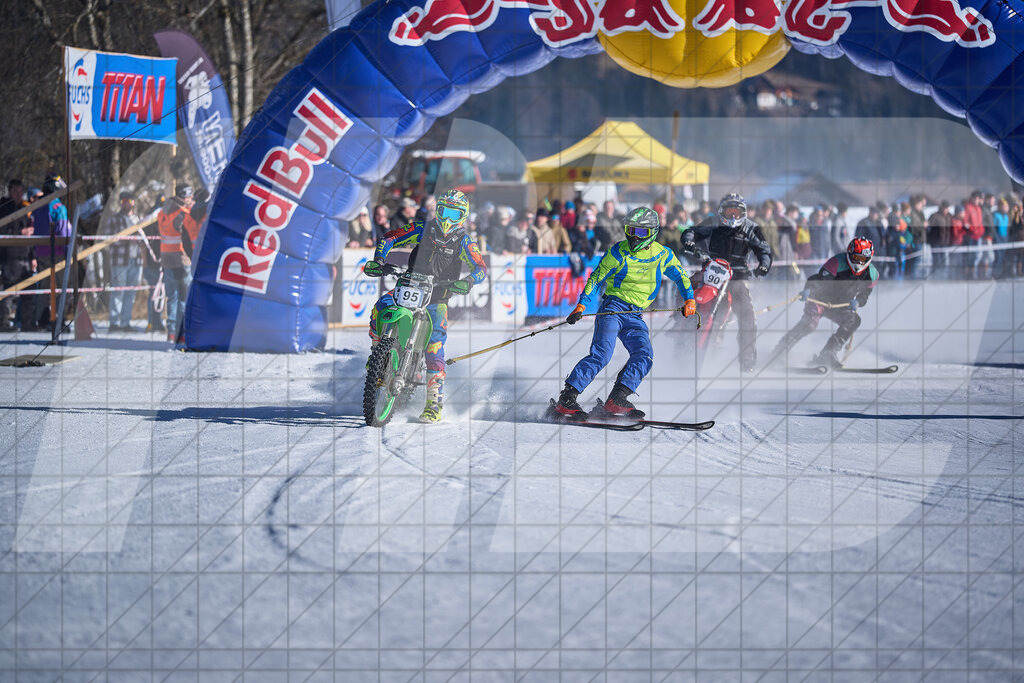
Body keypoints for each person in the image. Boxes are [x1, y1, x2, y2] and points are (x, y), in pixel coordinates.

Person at [553, 207, 696, 419]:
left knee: (644, 355)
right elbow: (596, 278)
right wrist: (581, 305)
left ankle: (617, 398)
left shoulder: (663, 254)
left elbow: (681, 277)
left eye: (640, 233)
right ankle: (567, 398)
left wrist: (689, 298)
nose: (633, 237)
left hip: (635, 315)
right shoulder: (618, 252)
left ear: (652, 233)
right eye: (630, 230)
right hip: (612, 308)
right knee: (602, 355)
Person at [362, 189, 487, 423]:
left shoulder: (464, 241)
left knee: (434, 346)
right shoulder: (422, 229)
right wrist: (380, 260)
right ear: (437, 210)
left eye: (454, 213)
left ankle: (433, 402)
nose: (448, 219)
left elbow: (480, 268)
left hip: (437, 296)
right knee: (381, 307)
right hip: (409, 285)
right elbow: (390, 237)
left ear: (462, 216)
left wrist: (468, 281)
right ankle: (376, 353)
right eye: (444, 211)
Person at [681, 193, 772, 372]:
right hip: (711, 269)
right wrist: (691, 244)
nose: (732, 216)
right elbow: (690, 232)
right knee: (685, 286)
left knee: (747, 316)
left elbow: (764, 250)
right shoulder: (713, 222)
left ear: (743, 213)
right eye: (729, 211)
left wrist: (763, 266)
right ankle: (678, 320)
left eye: (736, 212)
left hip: (736, 276)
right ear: (722, 211)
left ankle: (747, 362)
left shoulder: (752, 228)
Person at [769, 238, 879, 368]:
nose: (859, 262)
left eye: (863, 259)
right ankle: (779, 352)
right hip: (820, 299)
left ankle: (828, 353)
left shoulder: (872, 274)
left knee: (854, 321)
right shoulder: (837, 262)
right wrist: (809, 289)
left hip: (841, 306)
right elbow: (818, 279)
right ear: (849, 254)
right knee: (809, 324)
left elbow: (865, 294)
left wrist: (859, 302)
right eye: (856, 257)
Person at [158, 185, 201, 343]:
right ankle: (181, 333)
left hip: (166, 259)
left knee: (172, 298)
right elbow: (193, 231)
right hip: (181, 259)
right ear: (186, 197)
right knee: (184, 298)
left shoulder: (163, 212)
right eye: (190, 198)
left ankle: (171, 332)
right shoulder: (183, 214)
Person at [101, 191, 143, 331]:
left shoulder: (138, 219)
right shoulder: (114, 219)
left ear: (133, 202)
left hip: (135, 261)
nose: (126, 203)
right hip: (120, 261)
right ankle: (114, 322)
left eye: (129, 201)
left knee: (130, 292)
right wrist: (127, 238)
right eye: (123, 201)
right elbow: (109, 240)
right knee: (118, 291)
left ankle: (125, 323)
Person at [0, 179, 35, 330]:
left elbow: (31, 234)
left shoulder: (25, 209)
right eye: (16, 191)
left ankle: (28, 324)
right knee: (8, 292)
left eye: (21, 192)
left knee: (29, 292)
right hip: (9, 256)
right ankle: (4, 323)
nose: (19, 195)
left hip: (25, 254)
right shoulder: (4, 208)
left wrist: (33, 256)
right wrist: (19, 232)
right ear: (9, 190)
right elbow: (3, 231)